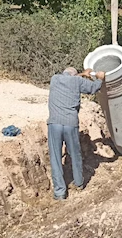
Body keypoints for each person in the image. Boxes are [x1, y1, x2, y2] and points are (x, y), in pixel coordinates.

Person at [47, 66, 105, 200]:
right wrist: (100, 79)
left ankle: (60, 192)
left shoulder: (55, 79)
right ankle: (79, 183)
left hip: (54, 124)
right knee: (75, 153)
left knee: (55, 158)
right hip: (70, 124)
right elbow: (93, 88)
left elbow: (70, 78)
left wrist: (82, 74)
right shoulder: (77, 82)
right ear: (75, 75)